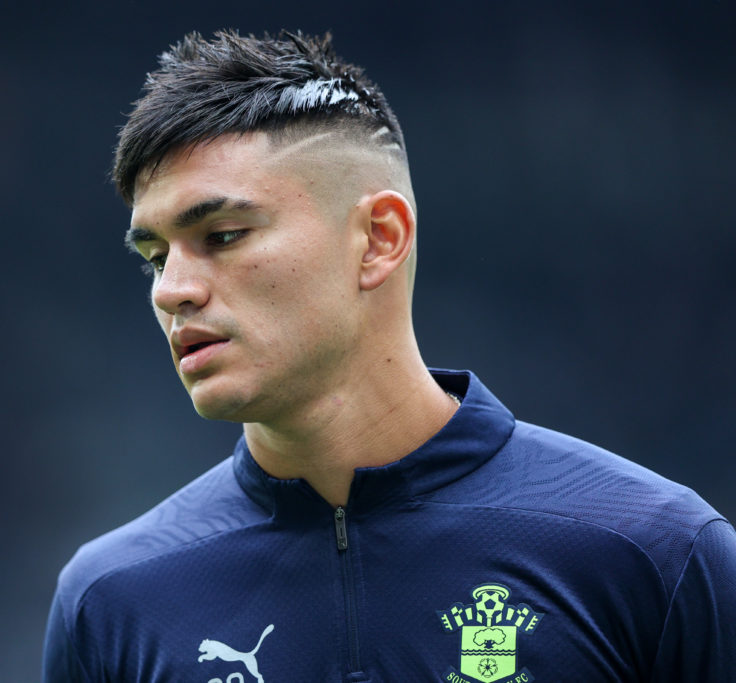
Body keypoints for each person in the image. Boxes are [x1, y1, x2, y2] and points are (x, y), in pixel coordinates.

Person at [43, 30, 736, 682]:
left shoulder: (655, 555)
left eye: (222, 235)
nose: (173, 290)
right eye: (155, 258)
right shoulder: (110, 601)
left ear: (378, 239)